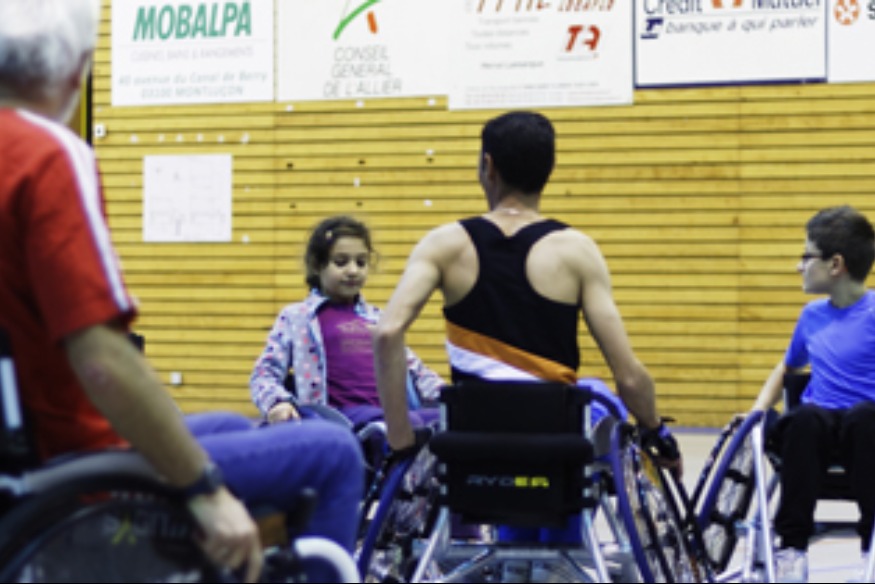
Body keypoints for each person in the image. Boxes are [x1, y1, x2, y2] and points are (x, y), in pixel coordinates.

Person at [0, 2, 363, 582]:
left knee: (232, 427)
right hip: (71, 466)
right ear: (76, 69)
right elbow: (102, 361)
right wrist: (203, 488)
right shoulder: (43, 154)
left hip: (24, 445)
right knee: (333, 451)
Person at [372, 110, 681, 582]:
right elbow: (630, 376)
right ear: (548, 170)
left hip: (474, 451)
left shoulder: (444, 244)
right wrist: (657, 434)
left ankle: (518, 566)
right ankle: (549, 565)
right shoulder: (576, 250)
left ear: (487, 166)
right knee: (598, 403)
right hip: (553, 454)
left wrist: (400, 441)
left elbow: (387, 332)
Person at [750, 205, 875, 583]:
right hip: (816, 432)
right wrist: (757, 410)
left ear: (836, 265)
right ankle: (792, 550)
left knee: (864, 417)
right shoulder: (811, 315)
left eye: (806, 256)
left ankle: (871, 547)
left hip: (865, 431)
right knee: (803, 418)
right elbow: (787, 368)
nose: (798, 266)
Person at [250, 214, 445, 431]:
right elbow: (264, 373)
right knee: (404, 425)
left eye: (361, 262)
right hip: (338, 418)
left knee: (443, 420)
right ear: (316, 265)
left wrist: (448, 398)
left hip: (389, 413)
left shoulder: (378, 318)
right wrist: (277, 403)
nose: (353, 271)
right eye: (341, 262)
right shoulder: (297, 317)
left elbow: (415, 370)